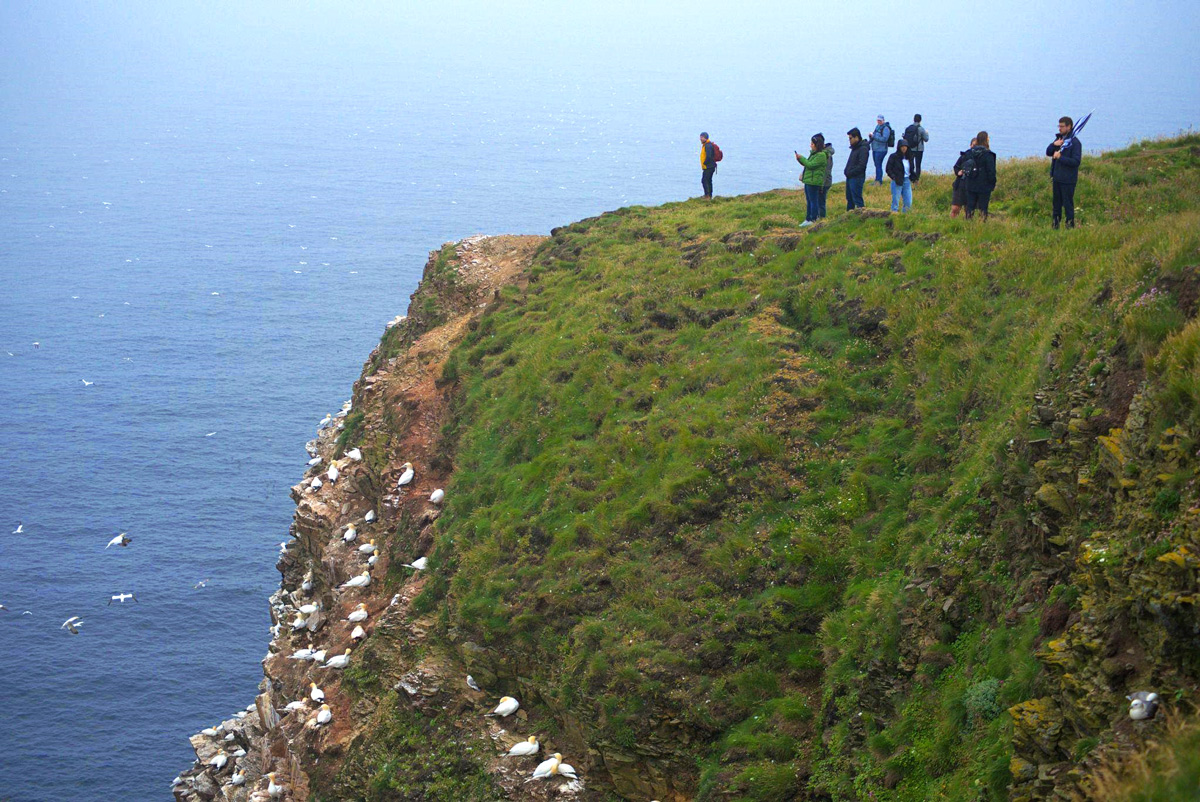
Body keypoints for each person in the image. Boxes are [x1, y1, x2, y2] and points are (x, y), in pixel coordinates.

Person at [1046, 116, 1082, 228]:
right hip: (1057, 177)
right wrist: (1054, 145)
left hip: (1068, 180)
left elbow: (1076, 161)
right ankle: (1055, 226)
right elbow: (1048, 152)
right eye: (1059, 126)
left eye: (1062, 126)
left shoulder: (1075, 143)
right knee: (1056, 205)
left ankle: (1070, 226)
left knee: (1068, 205)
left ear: (1069, 127)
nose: (1059, 129)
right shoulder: (1059, 140)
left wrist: (1060, 157)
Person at [961, 131, 997, 220]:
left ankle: (968, 224)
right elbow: (991, 171)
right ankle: (982, 224)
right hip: (984, 185)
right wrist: (992, 183)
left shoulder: (969, 153)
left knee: (970, 206)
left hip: (970, 183)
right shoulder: (988, 155)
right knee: (983, 207)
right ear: (986, 140)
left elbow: (964, 165)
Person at [794, 133, 828, 227]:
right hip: (809, 180)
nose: (810, 145)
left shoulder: (821, 155)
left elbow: (810, 165)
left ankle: (813, 219)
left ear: (817, 145)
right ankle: (808, 218)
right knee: (809, 200)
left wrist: (802, 158)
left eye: (812, 144)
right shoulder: (814, 154)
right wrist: (800, 160)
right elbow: (808, 164)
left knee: (813, 201)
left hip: (814, 181)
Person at [950, 137, 977, 218]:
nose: (974, 147)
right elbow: (956, 167)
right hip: (960, 184)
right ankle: (952, 224)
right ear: (970, 145)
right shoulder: (964, 155)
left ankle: (968, 227)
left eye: (976, 145)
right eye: (973, 145)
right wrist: (958, 172)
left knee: (969, 210)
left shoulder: (980, 158)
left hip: (972, 185)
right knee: (955, 208)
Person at [886, 139, 915, 213]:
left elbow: (911, 169)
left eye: (905, 146)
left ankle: (904, 216)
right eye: (902, 146)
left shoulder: (910, 157)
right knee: (895, 202)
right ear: (899, 147)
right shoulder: (894, 156)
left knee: (908, 202)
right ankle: (893, 216)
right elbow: (888, 169)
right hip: (897, 181)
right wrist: (893, 177)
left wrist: (914, 178)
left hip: (907, 180)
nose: (904, 148)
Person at [844, 128, 868, 210]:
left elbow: (862, 166)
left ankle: (861, 216)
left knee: (857, 199)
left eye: (851, 138)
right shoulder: (855, 148)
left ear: (856, 137)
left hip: (857, 177)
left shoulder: (863, 149)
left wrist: (850, 172)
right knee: (850, 199)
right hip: (850, 177)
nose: (849, 140)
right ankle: (849, 217)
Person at [903, 114, 929, 183]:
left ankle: (909, 177)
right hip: (919, 149)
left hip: (910, 149)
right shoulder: (921, 129)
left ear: (913, 119)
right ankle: (916, 179)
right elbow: (926, 139)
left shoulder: (908, 128)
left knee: (910, 164)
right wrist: (927, 133)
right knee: (918, 165)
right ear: (920, 120)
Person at [869, 115, 893, 184]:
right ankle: (877, 180)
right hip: (875, 149)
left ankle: (878, 181)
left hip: (881, 150)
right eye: (878, 120)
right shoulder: (877, 126)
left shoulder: (886, 128)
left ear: (883, 120)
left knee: (878, 164)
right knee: (877, 165)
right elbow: (875, 136)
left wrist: (874, 136)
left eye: (880, 120)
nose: (879, 121)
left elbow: (884, 139)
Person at [819, 137, 835, 219]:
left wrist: (821, 185)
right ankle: (819, 218)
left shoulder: (826, 155)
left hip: (824, 182)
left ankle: (821, 219)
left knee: (821, 202)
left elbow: (825, 171)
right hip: (824, 181)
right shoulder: (824, 153)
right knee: (820, 201)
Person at [699, 132, 717, 199]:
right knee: (708, 180)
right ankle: (709, 195)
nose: (700, 139)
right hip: (710, 166)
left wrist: (705, 163)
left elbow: (708, 156)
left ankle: (707, 195)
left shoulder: (708, 145)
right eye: (700, 137)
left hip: (709, 167)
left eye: (701, 137)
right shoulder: (706, 145)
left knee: (704, 180)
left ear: (705, 138)